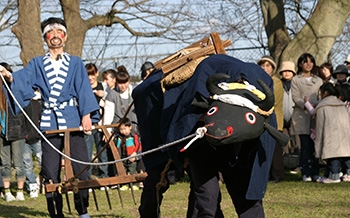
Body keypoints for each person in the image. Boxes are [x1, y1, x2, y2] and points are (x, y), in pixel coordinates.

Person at [133, 54, 278, 218]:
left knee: (243, 191)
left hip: (238, 142)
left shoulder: (259, 94)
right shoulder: (196, 90)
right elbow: (185, 119)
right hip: (199, 138)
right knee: (205, 194)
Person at [1, 17, 99, 218]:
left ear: (65, 36)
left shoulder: (76, 63)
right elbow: (23, 79)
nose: (55, 36)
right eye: (50, 32)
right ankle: (56, 213)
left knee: (81, 168)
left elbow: (84, 90)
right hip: (49, 123)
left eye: (59, 32)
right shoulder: (37, 63)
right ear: (45, 38)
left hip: (73, 121)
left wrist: (87, 115)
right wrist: (9, 76)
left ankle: (83, 211)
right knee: (49, 170)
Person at [290, 53, 323, 182]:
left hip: (316, 115)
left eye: (310, 61)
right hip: (301, 115)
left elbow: (321, 95)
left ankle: (315, 171)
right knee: (305, 145)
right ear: (300, 64)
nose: (308, 64)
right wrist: (306, 104)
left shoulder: (319, 80)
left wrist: (317, 105)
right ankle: (305, 171)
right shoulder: (296, 80)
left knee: (315, 144)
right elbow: (295, 97)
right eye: (305, 62)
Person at [312, 83, 350, 183]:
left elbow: (319, 128)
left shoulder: (322, 107)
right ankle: (348, 174)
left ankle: (334, 176)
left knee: (333, 156)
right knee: (346, 155)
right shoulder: (341, 104)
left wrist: (318, 147)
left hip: (330, 137)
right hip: (345, 136)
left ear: (325, 93)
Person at [0, 62, 27, 202]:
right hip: (1, 133)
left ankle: (21, 191)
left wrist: (7, 75)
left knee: (18, 163)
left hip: (17, 131)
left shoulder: (12, 90)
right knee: (5, 163)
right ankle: (7, 191)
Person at [257, 56, 285, 183]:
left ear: (273, 68)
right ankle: (266, 174)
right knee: (263, 147)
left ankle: (278, 175)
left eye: (267, 66)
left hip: (274, 118)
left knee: (275, 149)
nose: (264, 68)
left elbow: (273, 100)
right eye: (262, 65)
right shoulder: (257, 80)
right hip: (261, 119)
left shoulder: (276, 82)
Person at [84, 63, 108, 181]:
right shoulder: (83, 88)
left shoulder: (103, 86)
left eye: (92, 74)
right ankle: (87, 178)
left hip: (100, 125)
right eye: (88, 75)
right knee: (87, 154)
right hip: (88, 126)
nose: (90, 77)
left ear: (97, 74)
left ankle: (104, 176)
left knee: (102, 153)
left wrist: (103, 95)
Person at [23, 90, 42, 198]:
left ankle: (44, 182)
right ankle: (32, 185)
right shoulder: (20, 105)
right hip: (25, 141)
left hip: (37, 139)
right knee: (27, 166)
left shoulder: (37, 104)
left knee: (43, 162)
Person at [279, 61, 299, 155]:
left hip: (294, 116)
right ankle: (285, 160)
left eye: (289, 71)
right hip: (282, 117)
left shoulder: (297, 84)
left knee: (296, 141)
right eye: (284, 71)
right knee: (283, 141)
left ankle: (297, 163)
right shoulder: (278, 84)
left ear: (293, 73)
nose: (287, 73)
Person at [114, 117, 139, 191]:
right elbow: (117, 146)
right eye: (121, 129)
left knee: (132, 170)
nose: (123, 131)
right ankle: (125, 184)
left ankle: (135, 184)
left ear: (130, 127)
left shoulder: (133, 136)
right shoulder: (119, 136)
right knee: (123, 171)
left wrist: (134, 154)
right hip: (122, 157)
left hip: (132, 156)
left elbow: (137, 145)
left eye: (125, 129)